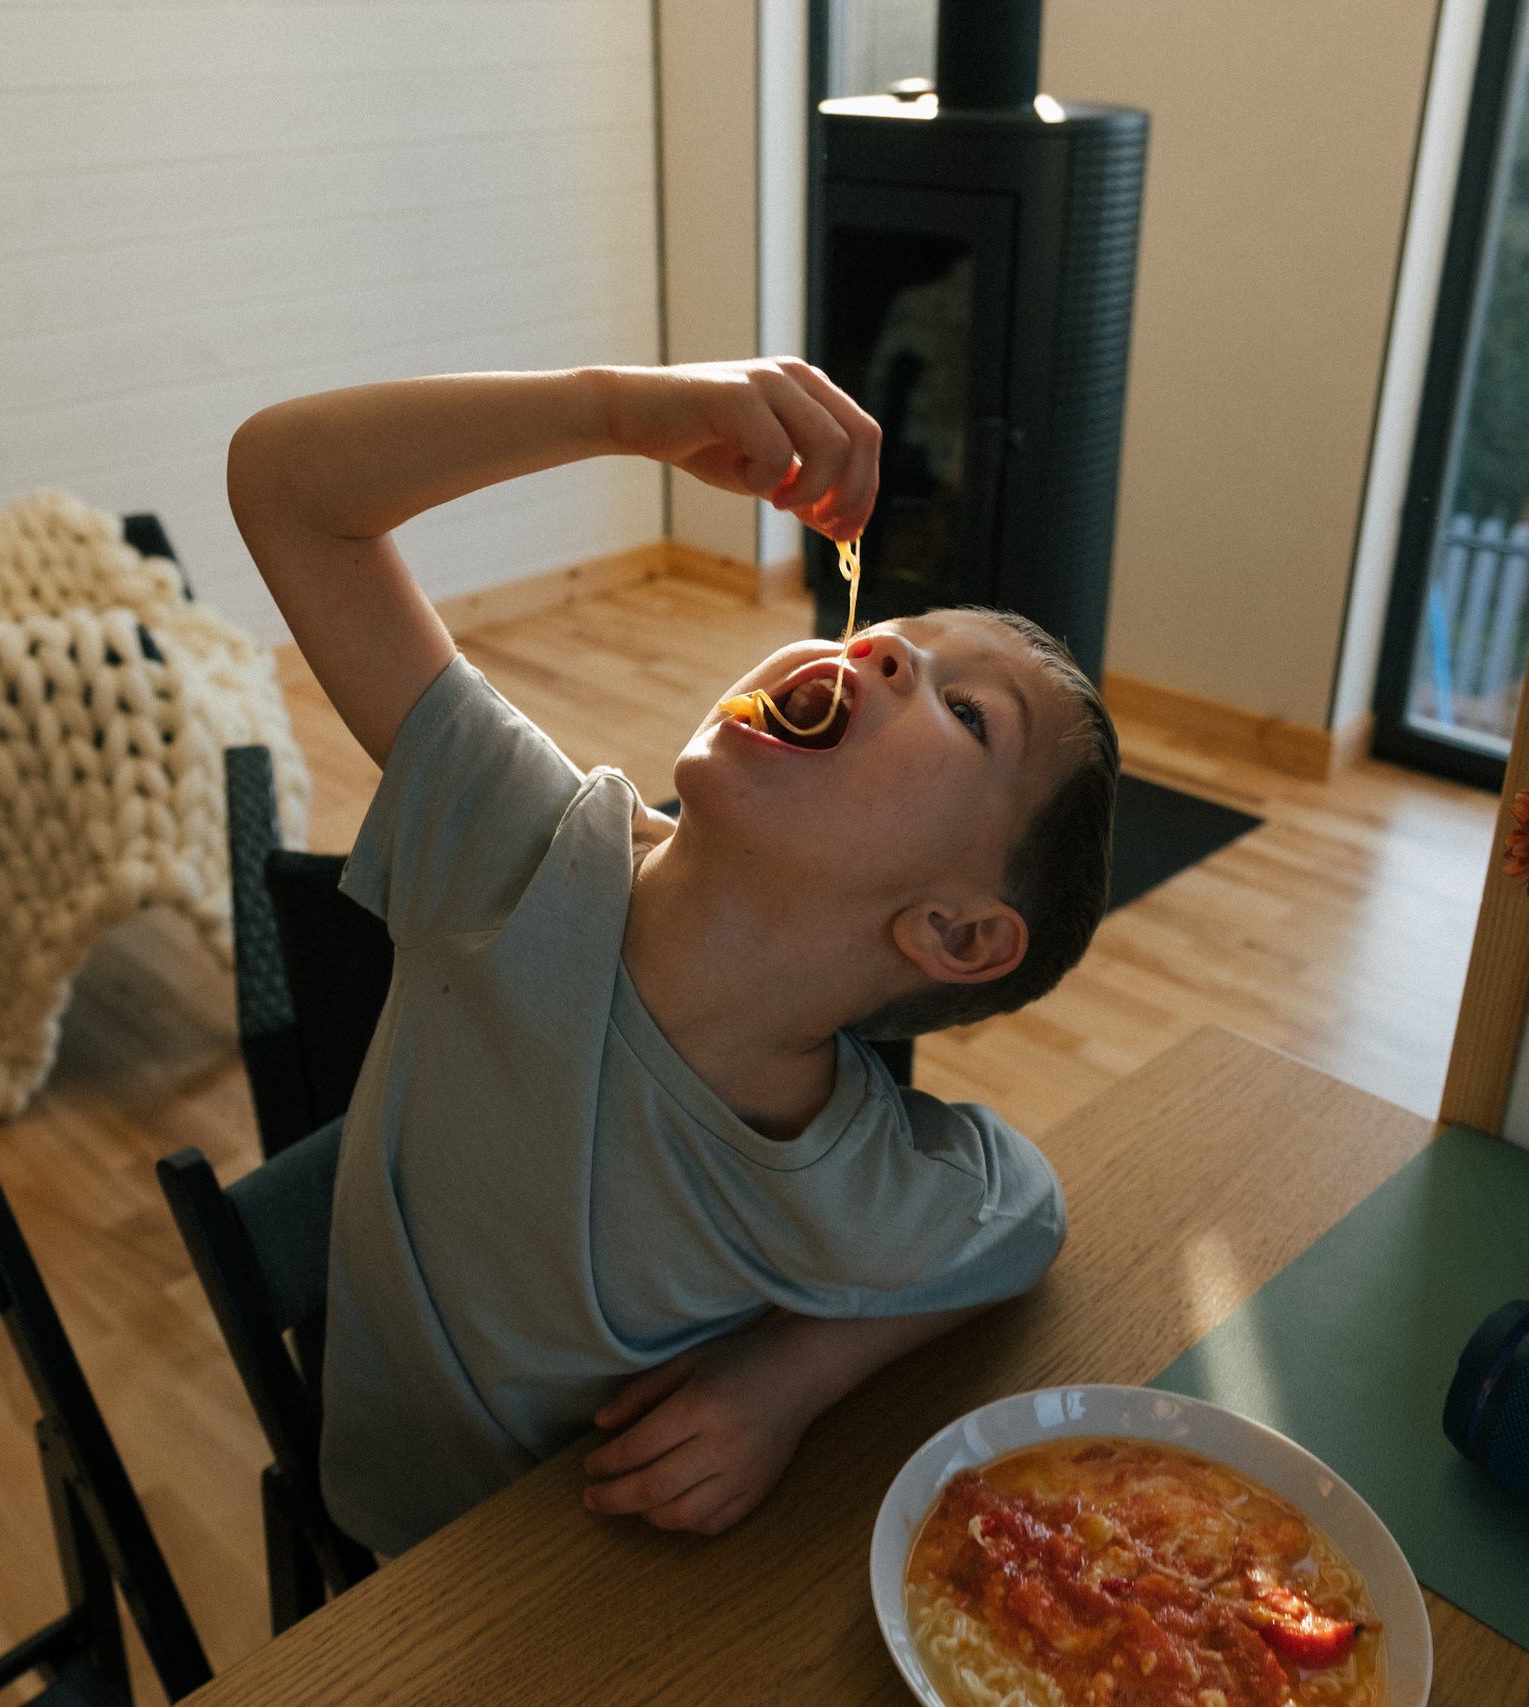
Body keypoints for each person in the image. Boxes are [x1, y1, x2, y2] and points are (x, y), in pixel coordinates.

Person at [226, 360, 1119, 1558]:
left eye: (968, 712)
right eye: (895, 637)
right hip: (401, 1558)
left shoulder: (835, 1177)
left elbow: (1026, 1215)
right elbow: (286, 489)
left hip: (604, 1578)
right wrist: (625, 411)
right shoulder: (518, 846)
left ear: (953, 934)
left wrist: (792, 1376)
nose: (887, 653)